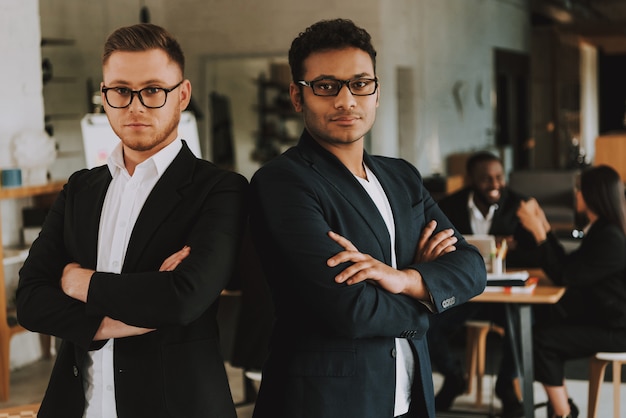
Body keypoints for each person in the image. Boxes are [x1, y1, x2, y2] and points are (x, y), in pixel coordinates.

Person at [248, 18, 486, 418]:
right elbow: (350, 310)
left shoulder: (402, 176)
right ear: (297, 95)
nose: (346, 101)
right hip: (327, 402)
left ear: (376, 92)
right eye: (326, 86)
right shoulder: (283, 181)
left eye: (360, 84)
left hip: (411, 397)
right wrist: (428, 302)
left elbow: (472, 267)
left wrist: (405, 278)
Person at [15, 23, 248, 418]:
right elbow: (31, 302)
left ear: (183, 95)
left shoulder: (220, 189)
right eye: (121, 90)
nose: (135, 106)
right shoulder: (80, 189)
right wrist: (113, 324)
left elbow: (180, 299)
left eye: (153, 90)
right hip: (76, 407)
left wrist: (77, 282)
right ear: (105, 96)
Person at [428, 151, 538, 416]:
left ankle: (505, 386)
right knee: (426, 323)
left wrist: (511, 249)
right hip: (464, 293)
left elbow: (536, 252)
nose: (495, 184)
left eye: (499, 177)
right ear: (471, 180)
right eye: (486, 179)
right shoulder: (448, 206)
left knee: (525, 323)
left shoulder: (519, 205)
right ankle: (454, 377)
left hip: (504, 295)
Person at [516, 164, 626, 418]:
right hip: (604, 318)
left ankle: (563, 412)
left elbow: (564, 277)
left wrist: (539, 233)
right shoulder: (603, 230)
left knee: (542, 341)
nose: (576, 195)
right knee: (543, 325)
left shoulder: (610, 237)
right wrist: (543, 227)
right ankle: (561, 407)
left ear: (592, 195)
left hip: (617, 328)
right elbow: (567, 266)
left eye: (579, 190)